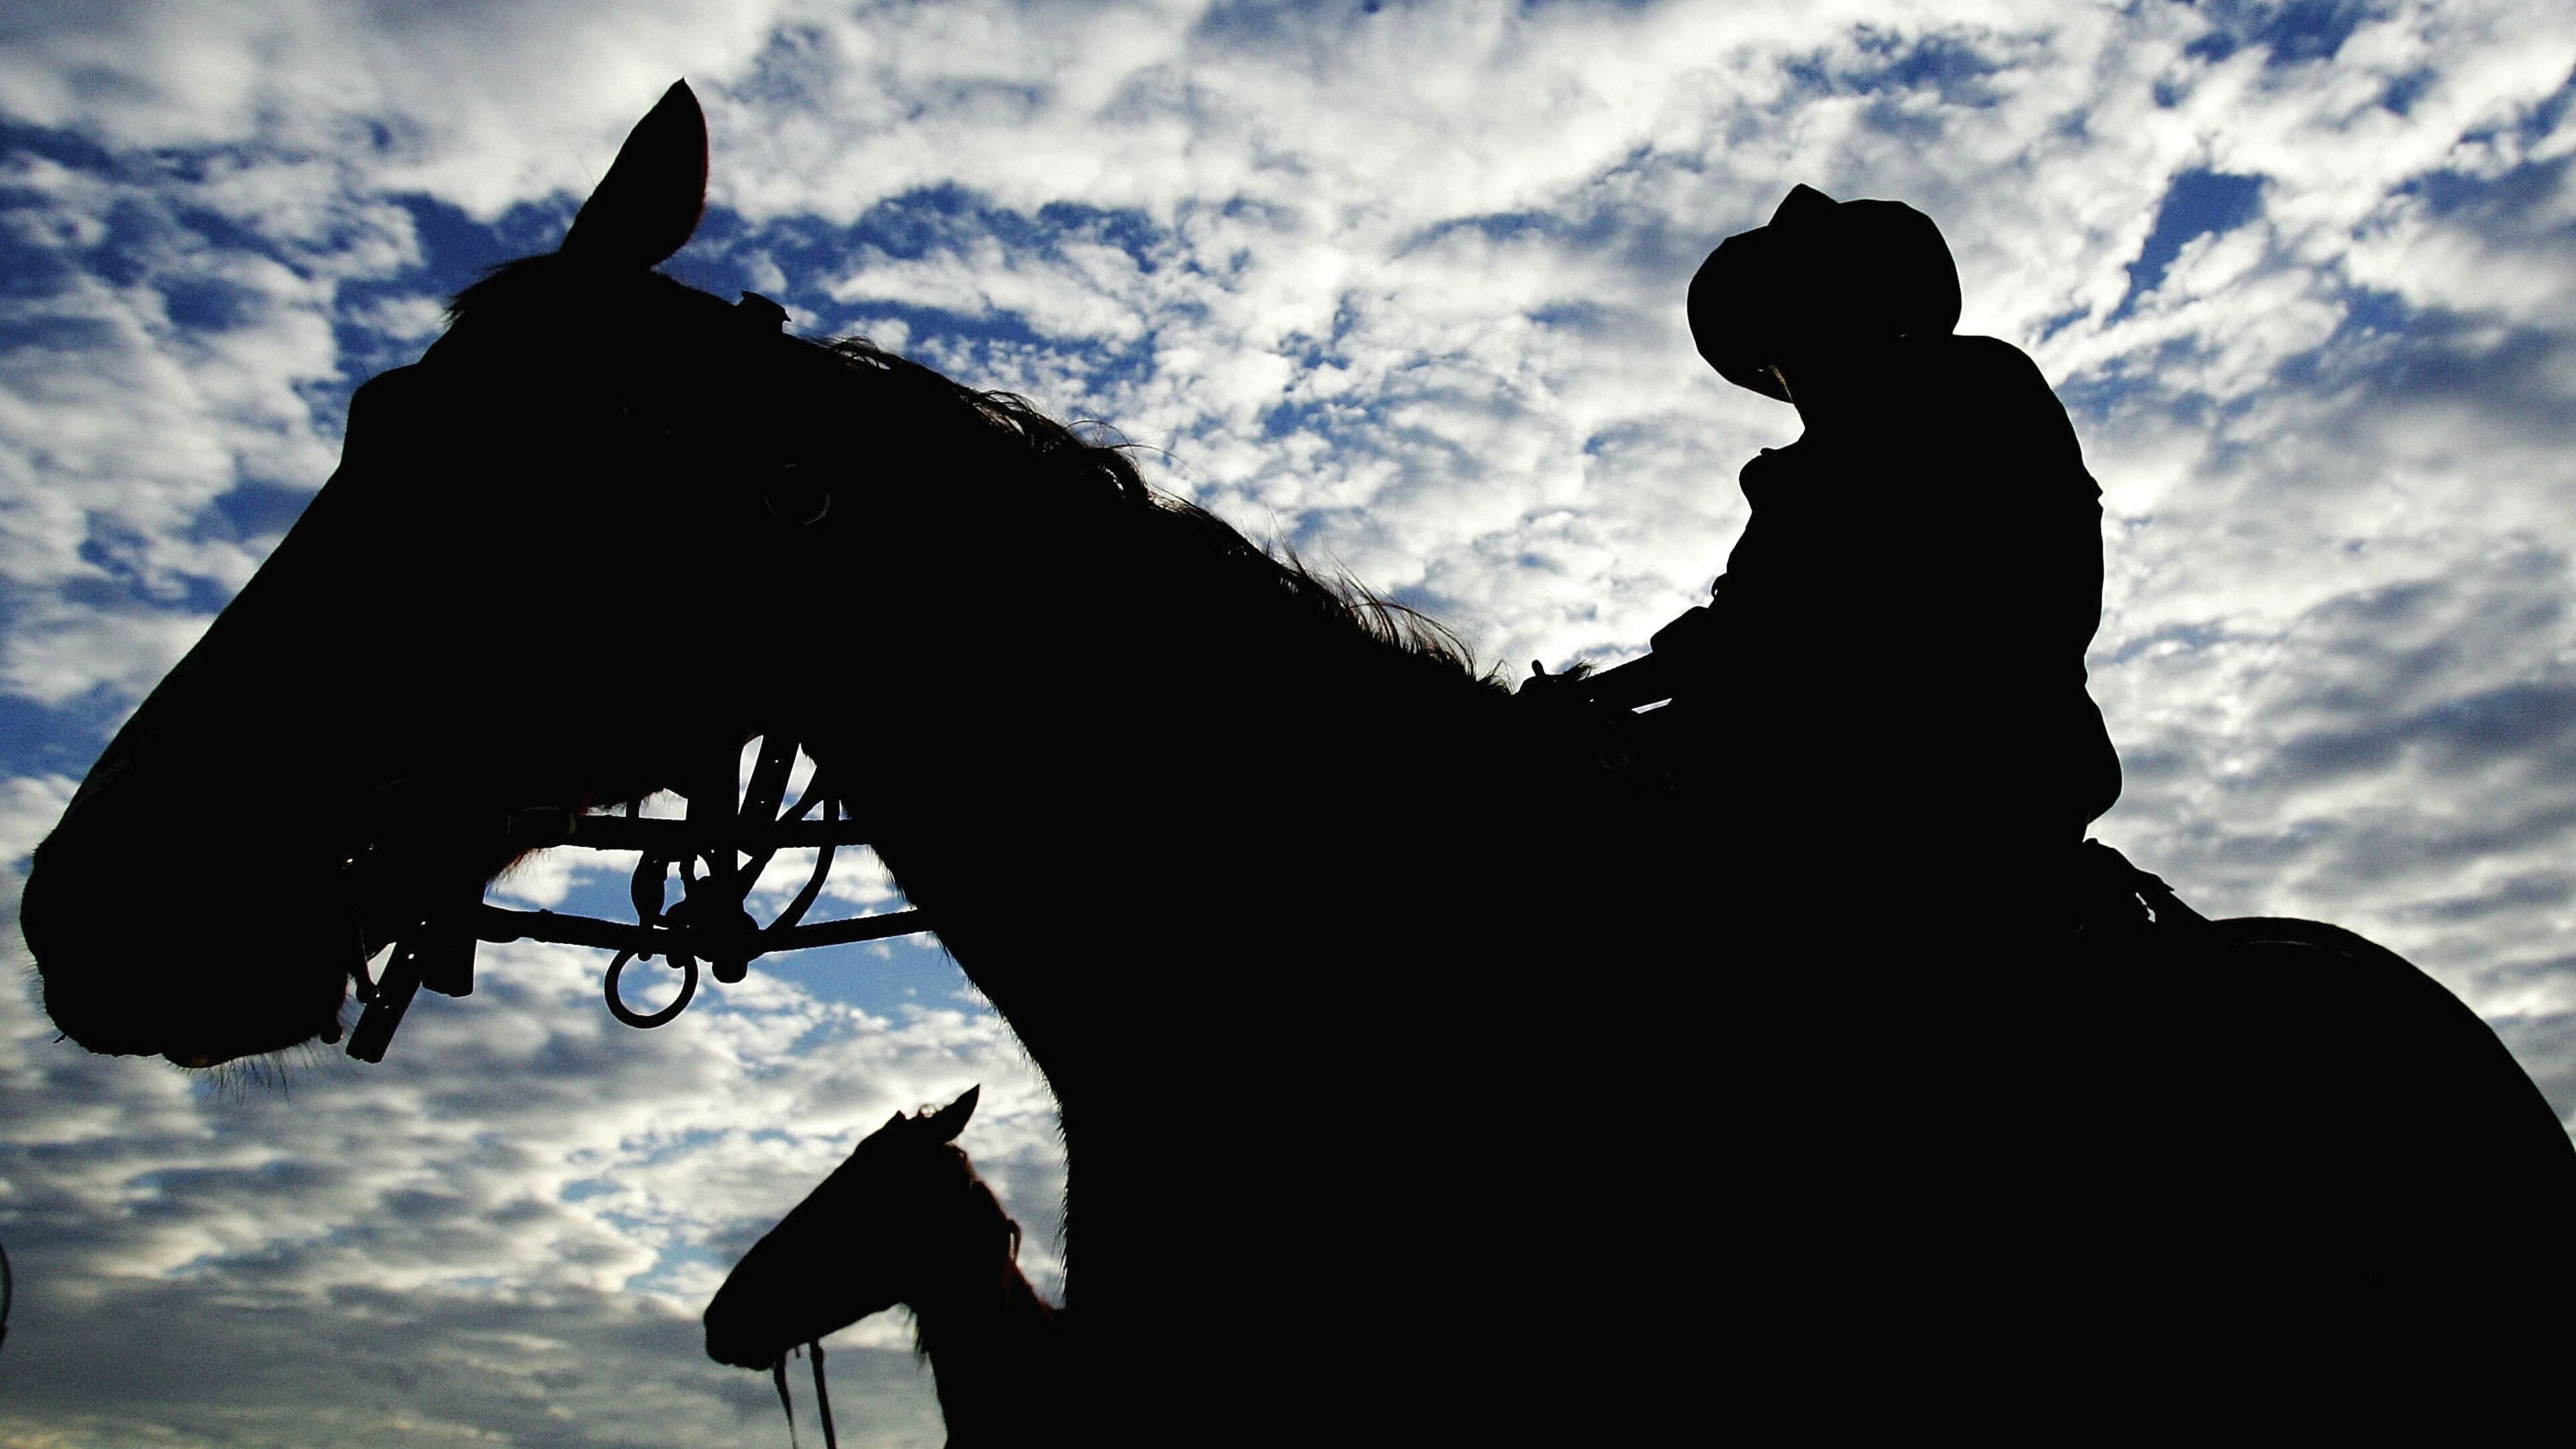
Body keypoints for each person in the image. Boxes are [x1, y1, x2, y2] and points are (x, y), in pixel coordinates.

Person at [1565, 184, 2118, 926]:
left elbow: (1825, 623)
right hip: (1818, 762)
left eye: (1821, 302)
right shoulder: (1794, 484)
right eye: (1781, 324)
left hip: (1974, 768)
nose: (1799, 352)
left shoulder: (1975, 391)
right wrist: (1589, 705)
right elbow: (1740, 635)